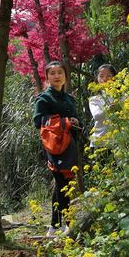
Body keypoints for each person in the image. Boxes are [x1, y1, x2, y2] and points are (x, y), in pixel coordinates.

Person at [33, 61, 80, 237]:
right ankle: (68, 223)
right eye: (52, 73)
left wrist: (75, 123)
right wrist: (62, 122)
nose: (57, 76)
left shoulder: (70, 99)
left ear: (65, 76)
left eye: (60, 72)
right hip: (54, 147)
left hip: (70, 145)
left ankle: (53, 226)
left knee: (62, 185)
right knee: (62, 184)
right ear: (47, 77)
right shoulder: (44, 98)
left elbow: (76, 119)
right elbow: (38, 121)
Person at [88, 64, 117, 149]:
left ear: (114, 78)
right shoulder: (94, 99)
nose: (105, 79)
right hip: (100, 143)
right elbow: (97, 116)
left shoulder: (122, 96)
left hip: (120, 142)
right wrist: (110, 109)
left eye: (109, 76)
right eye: (101, 76)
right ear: (97, 79)